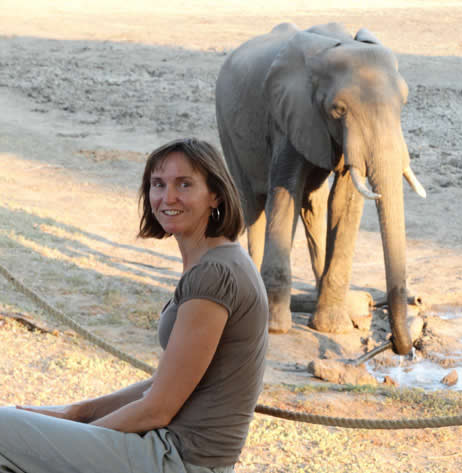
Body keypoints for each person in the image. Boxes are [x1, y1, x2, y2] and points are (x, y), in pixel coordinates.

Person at [0, 138, 269, 473]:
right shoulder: (222, 261)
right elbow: (164, 383)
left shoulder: (213, 275)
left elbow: (157, 409)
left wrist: (70, 441)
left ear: (215, 194)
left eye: (184, 184)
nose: (168, 197)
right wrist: (75, 413)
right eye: (158, 184)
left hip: (177, 458)